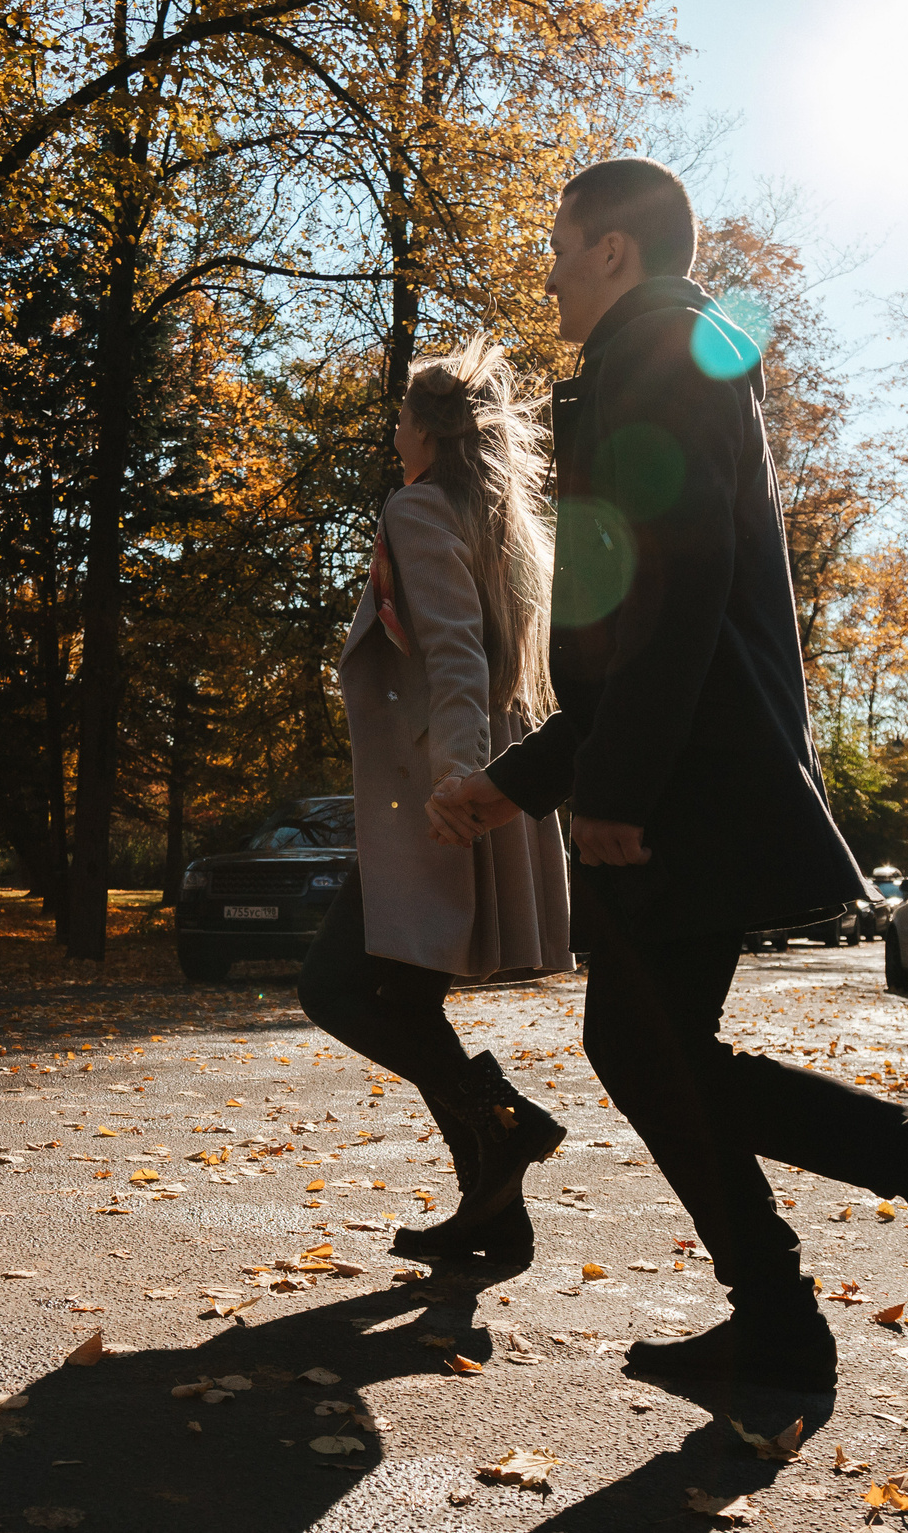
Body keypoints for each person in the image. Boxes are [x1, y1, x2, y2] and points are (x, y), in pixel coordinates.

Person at [428, 158, 908, 1391]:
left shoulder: (660, 352)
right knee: (652, 1048)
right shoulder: (661, 356)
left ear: (614, 249)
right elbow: (657, 624)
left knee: (647, 1048)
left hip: (683, 783)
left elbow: (673, 594)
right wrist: (530, 778)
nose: (550, 271)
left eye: (562, 245)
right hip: (682, 765)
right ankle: (812, 1300)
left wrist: (612, 785)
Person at [299, 338, 574, 1263]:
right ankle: (494, 1215)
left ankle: (502, 1124)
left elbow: (457, 652)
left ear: (425, 428)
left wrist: (461, 782)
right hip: (471, 781)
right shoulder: (498, 524)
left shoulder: (417, 508)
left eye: (402, 416)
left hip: (437, 797)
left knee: (334, 986)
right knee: (402, 1001)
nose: (394, 431)